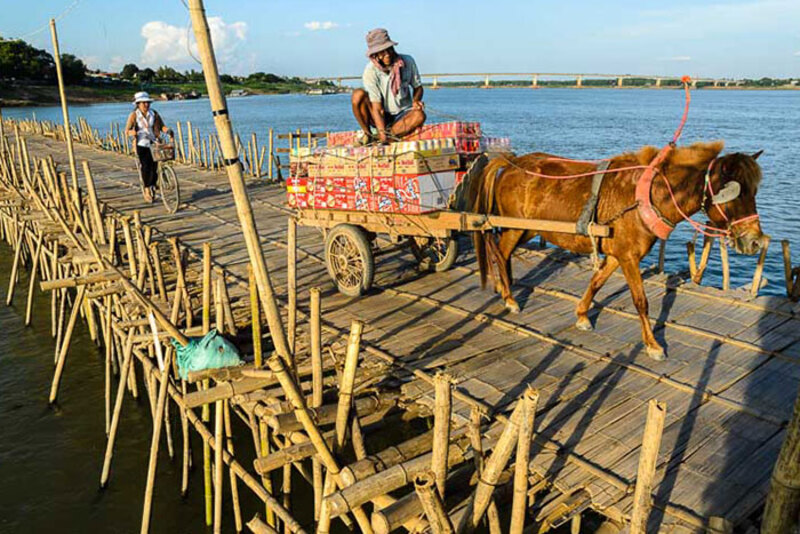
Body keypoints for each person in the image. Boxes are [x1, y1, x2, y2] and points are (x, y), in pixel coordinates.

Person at [351, 28, 426, 145]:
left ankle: (388, 136)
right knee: (357, 95)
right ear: (375, 55)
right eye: (382, 52)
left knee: (419, 116)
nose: (387, 55)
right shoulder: (370, 71)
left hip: (403, 114)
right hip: (381, 116)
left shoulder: (408, 61)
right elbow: (377, 108)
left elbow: (418, 87)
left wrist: (416, 101)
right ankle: (369, 134)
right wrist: (382, 134)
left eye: (389, 50)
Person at [125, 91, 172, 202]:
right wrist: (133, 133)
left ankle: (153, 185)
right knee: (146, 167)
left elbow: (162, 126)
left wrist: (168, 131)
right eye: (143, 103)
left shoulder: (154, 114)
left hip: (154, 142)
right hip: (141, 144)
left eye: (147, 103)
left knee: (154, 167)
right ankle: (147, 189)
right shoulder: (134, 115)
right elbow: (127, 131)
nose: (146, 105)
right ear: (138, 104)